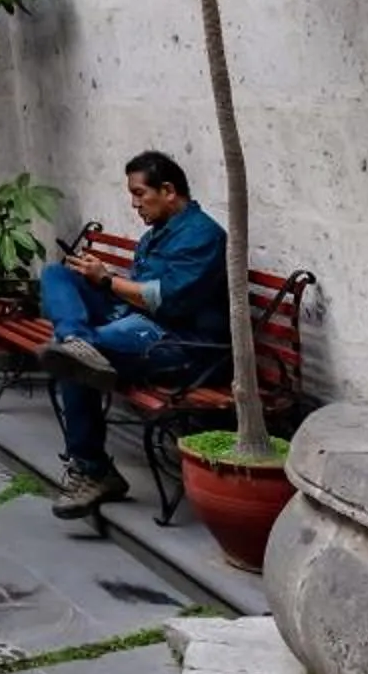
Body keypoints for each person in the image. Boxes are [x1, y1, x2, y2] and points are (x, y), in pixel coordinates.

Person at [38, 151, 230, 519]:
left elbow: (169, 300)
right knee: (57, 275)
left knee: (71, 360)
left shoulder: (203, 235)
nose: (134, 203)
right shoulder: (156, 234)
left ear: (169, 190)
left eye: (140, 194)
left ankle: (93, 471)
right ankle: (77, 338)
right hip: (137, 321)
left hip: (180, 343)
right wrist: (102, 277)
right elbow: (139, 289)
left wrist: (108, 280)